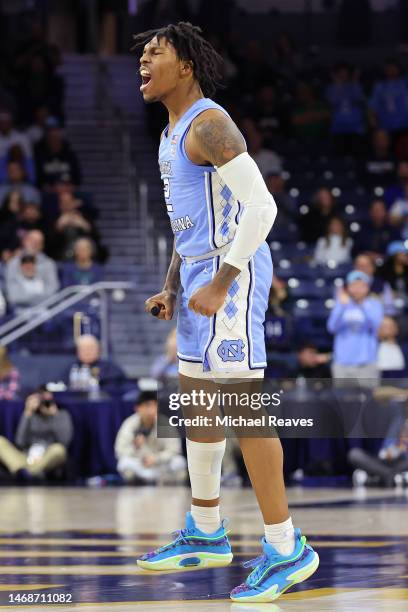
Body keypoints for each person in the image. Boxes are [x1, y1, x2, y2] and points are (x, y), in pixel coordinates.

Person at [135, 22, 318, 602]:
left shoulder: (209, 122)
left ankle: (287, 547)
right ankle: (208, 529)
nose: (142, 62)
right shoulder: (168, 135)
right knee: (194, 396)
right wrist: (173, 284)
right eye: (141, 55)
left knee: (244, 406)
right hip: (197, 272)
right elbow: (184, 227)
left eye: (154, 53)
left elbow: (262, 209)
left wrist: (221, 282)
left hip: (232, 269)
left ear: (185, 65)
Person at [0, 387, 72, 481]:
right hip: (26, 457)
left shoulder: (62, 415)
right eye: (42, 400)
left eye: (48, 400)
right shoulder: (31, 416)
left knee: (59, 449)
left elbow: (64, 441)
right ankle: (28, 472)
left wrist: (54, 417)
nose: (45, 404)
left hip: (46, 457)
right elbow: (20, 441)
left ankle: (27, 473)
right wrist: (27, 413)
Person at [327, 270, 384, 388]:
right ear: (347, 287)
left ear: (367, 288)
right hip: (342, 363)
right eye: (354, 285)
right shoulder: (341, 304)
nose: (357, 289)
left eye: (361, 285)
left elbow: (376, 325)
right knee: (343, 403)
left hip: (367, 363)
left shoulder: (374, 304)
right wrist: (342, 306)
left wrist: (362, 304)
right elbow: (332, 328)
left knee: (369, 403)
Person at [115, 390, 186, 484]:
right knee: (123, 464)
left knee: (179, 462)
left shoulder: (164, 423)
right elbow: (120, 451)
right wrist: (135, 447)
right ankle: (141, 482)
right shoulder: (129, 424)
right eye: (147, 406)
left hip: (160, 465)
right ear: (138, 408)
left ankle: (158, 481)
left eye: (154, 406)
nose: (151, 410)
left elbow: (174, 450)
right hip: (141, 465)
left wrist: (156, 459)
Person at [34, 118, 82, 188]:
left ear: (60, 132)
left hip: (68, 191)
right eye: (50, 131)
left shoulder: (70, 154)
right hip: (48, 193)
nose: (53, 134)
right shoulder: (39, 154)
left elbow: (77, 179)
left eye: (56, 130)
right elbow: (38, 180)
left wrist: (68, 187)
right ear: (46, 134)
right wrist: (49, 187)